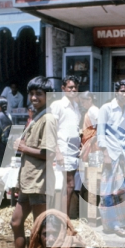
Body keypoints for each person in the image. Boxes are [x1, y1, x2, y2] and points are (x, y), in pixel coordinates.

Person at [11, 76, 58, 248]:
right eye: (31, 93)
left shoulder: (48, 119)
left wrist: (24, 147)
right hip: (28, 180)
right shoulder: (37, 118)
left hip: (40, 180)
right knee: (16, 222)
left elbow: (48, 154)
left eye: (39, 94)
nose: (34, 97)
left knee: (40, 227)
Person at [97, 80, 125, 238]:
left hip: (123, 156)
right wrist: (105, 154)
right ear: (116, 92)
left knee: (121, 191)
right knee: (109, 191)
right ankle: (115, 224)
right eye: (123, 91)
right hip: (112, 155)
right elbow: (100, 132)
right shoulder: (106, 108)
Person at [50, 75, 81, 217]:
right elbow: (51, 130)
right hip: (62, 150)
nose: (73, 90)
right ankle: (62, 218)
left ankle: (63, 218)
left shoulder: (76, 106)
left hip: (73, 152)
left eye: (75, 87)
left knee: (68, 187)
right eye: (70, 87)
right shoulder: (57, 105)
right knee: (68, 185)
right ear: (63, 88)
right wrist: (57, 152)